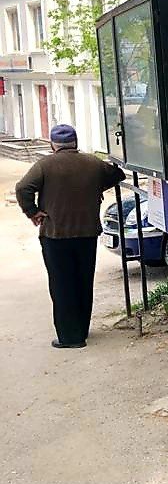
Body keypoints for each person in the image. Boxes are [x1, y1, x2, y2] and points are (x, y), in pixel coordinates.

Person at [15, 124, 125, 349]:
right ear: (75, 142)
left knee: (62, 285)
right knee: (83, 281)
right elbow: (117, 174)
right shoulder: (93, 163)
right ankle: (82, 330)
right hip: (87, 234)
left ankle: (69, 337)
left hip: (55, 236)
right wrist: (94, 187)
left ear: (53, 144)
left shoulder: (45, 165)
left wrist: (33, 212)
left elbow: (23, 188)